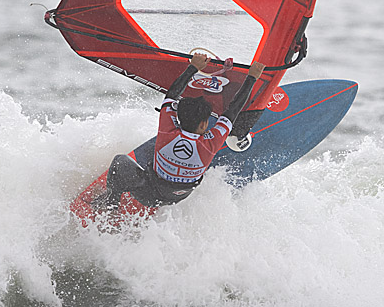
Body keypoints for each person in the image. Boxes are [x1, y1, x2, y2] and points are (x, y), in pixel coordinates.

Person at [100, 51, 266, 213]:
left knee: (119, 161)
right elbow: (233, 110)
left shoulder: (167, 132)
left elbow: (171, 95)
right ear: (203, 124)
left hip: (145, 194)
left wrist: (193, 67)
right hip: (178, 197)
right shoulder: (211, 143)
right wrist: (252, 77)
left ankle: (111, 204)